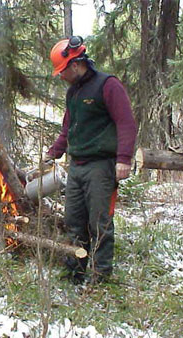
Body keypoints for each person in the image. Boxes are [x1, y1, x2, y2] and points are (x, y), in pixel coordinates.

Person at [45, 36, 137, 285]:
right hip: (77, 166)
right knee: (74, 222)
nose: (61, 76)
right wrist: (54, 152)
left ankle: (100, 276)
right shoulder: (73, 92)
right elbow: (68, 127)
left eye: (62, 71)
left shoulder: (108, 85)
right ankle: (75, 271)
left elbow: (126, 123)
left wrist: (123, 159)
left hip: (101, 166)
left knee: (100, 223)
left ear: (75, 64)